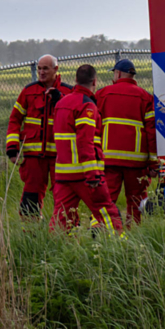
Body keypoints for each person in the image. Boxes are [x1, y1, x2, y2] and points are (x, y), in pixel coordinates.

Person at [49, 64, 123, 235]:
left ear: (75, 80)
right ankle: (120, 246)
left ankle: (56, 252)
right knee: (106, 211)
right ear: (95, 81)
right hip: (84, 174)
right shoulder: (87, 106)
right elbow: (85, 141)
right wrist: (92, 174)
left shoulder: (61, 103)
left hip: (63, 174)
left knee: (61, 218)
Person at [6, 54, 72, 217]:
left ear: (56, 69)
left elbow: (74, 118)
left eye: (45, 68)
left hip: (60, 157)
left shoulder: (68, 92)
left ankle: (64, 233)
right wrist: (12, 148)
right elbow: (15, 119)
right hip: (34, 157)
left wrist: (60, 99)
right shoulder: (29, 91)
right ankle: (31, 234)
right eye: (39, 68)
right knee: (30, 198)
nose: (41, 72)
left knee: (65, 196)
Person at [96, 59, 158, 224]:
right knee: (136, 201)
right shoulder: (146, 97)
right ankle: (135, 235)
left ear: (117, 74)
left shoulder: (102, 94)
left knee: (107, 199)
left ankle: (104, 234)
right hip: (136, 162)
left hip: (109, 159)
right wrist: (153, 163)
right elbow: (152, 133)